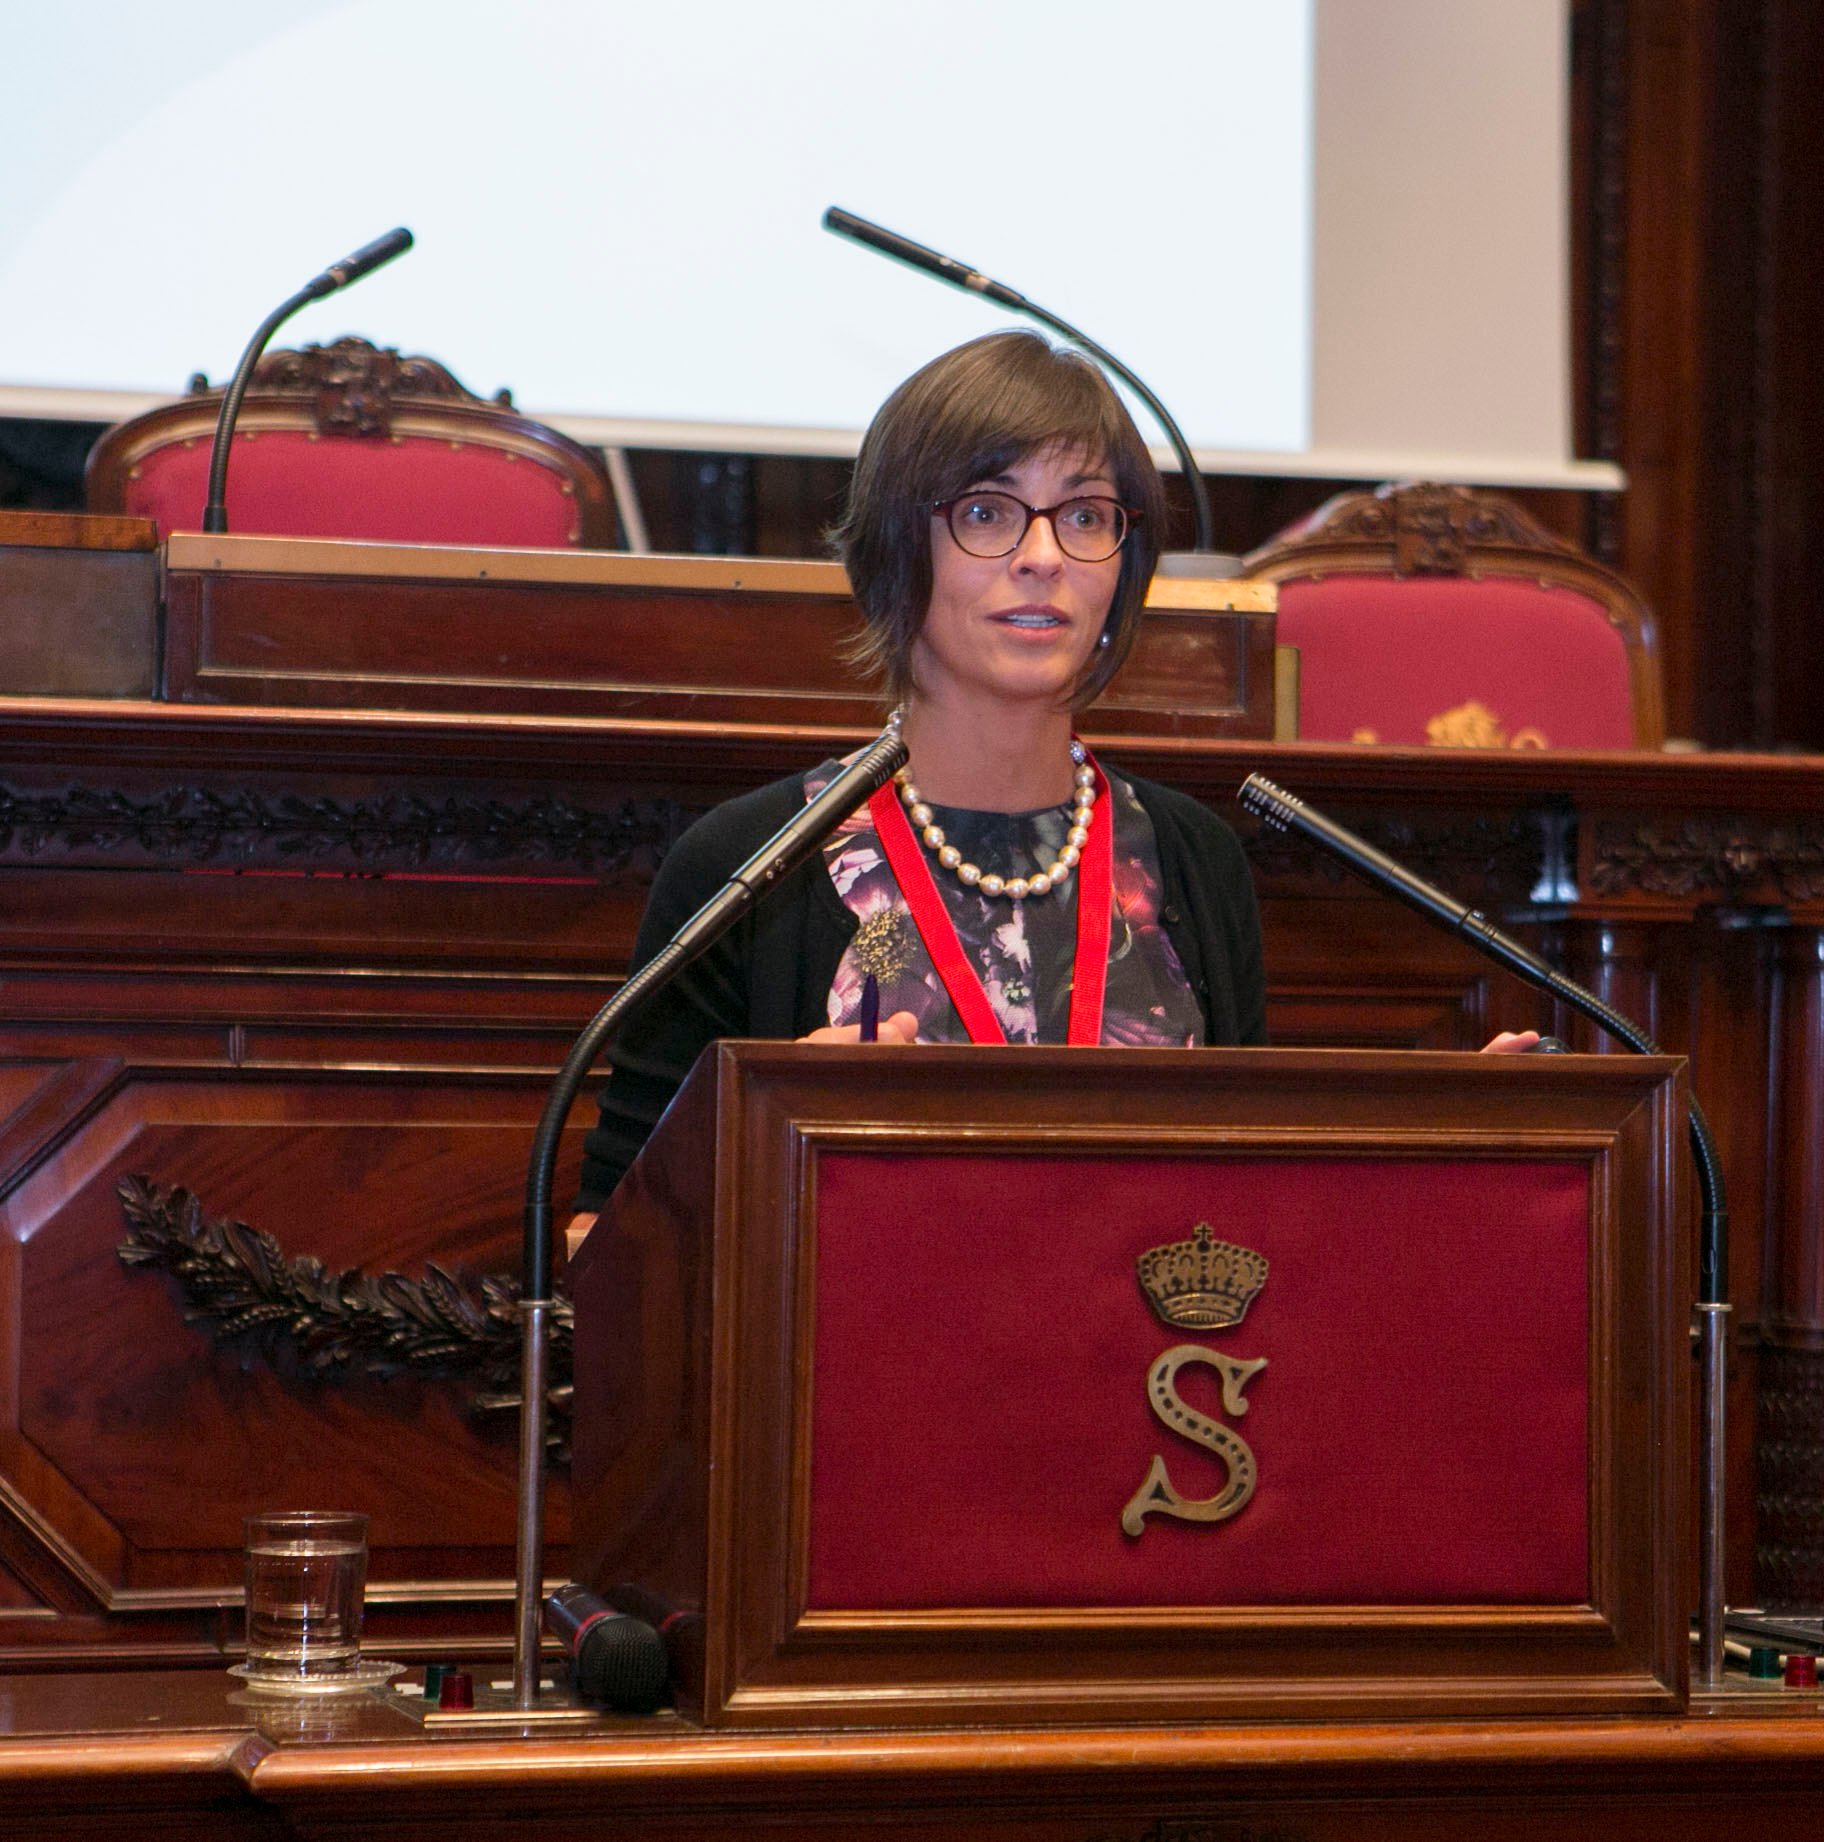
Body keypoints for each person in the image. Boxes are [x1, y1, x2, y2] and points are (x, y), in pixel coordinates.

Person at [573, 330, 1530, 1214]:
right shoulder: (751, 864)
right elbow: (600, 1240)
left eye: (1083, 516)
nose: (1042, 558)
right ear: (897, 548)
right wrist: (751, 1140)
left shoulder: (1191, 860)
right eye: (988, 513)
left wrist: (1429, 1150)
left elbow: (1243, 1196)